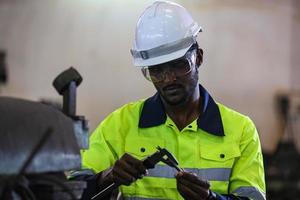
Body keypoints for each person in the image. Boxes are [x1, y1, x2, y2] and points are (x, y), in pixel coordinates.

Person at [79, 1, 266, 199]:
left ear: (199, 58)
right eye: (156, 70)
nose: (168, 79)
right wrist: (106, 177)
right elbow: (68, 189)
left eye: (178, 65)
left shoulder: (241, 130)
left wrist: (211, 199)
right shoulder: (120, 125)